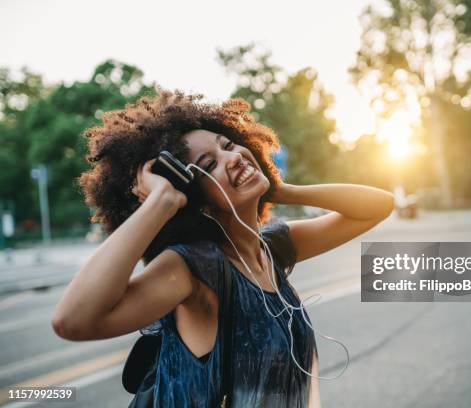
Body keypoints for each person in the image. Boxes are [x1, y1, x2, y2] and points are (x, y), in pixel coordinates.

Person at [52, 90, 394, 407]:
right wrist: (161, 201)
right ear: (196, 202)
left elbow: (377, 206)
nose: (232, 158)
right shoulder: (194, 269)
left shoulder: (271, 246)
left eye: (228, 145)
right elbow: (72, 321)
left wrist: (280, 188)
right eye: (209, 165)